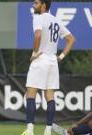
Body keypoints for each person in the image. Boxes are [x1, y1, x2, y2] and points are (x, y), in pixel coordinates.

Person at [20, 0, 76, 135]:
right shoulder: (56, 20)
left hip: (40, 59)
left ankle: (30, 130)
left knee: (31, 94)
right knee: (50, 97)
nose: (33, 5)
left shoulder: (38, 17)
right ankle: (48, 130)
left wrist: (34, 53)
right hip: (52, 61)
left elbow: (38, 35)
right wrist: (61, 57)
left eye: (36, 3)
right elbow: (71, 39)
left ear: (43, 5)